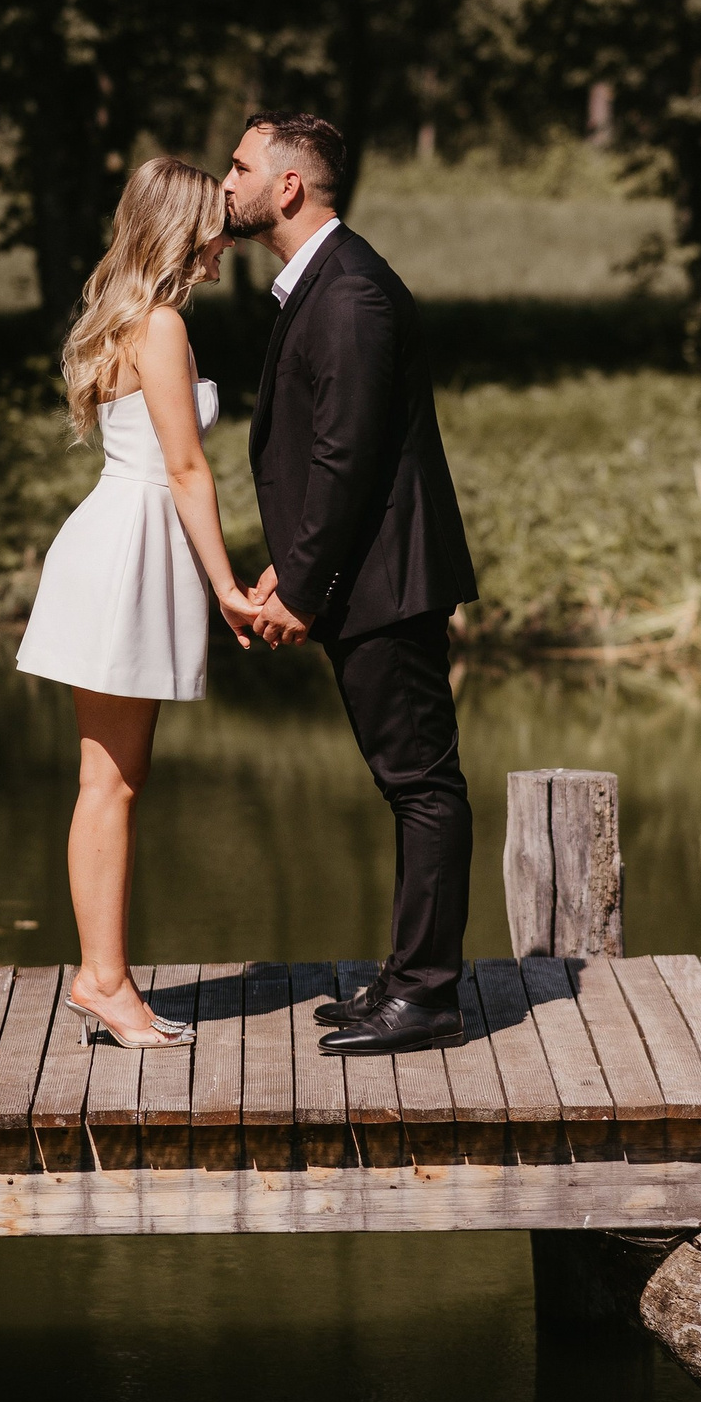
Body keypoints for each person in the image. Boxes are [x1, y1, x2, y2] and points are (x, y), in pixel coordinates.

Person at [223, 111, 479, 1055]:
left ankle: (428, 996)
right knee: (407, 782)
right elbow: (330, 450)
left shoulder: (352, 292)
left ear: (288, 186)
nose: (226, 182)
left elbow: (348, 458)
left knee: (422, 785)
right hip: (364, 574)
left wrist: (300, 589)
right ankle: (407, 980)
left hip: (386, 581)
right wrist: (288, 564)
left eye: (240, 167)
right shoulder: (325, 282)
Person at [16, 157, 259, 1046]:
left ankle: (103, 977)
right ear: (183, 232)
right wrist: (228, 586)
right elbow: (185, 468)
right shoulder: (159, 326)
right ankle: (105, 982)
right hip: (128, 550)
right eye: (216, 230)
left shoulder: (130, 318)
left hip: (119, 540)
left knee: (111, 780)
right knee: (112, 783)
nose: (226, 244)